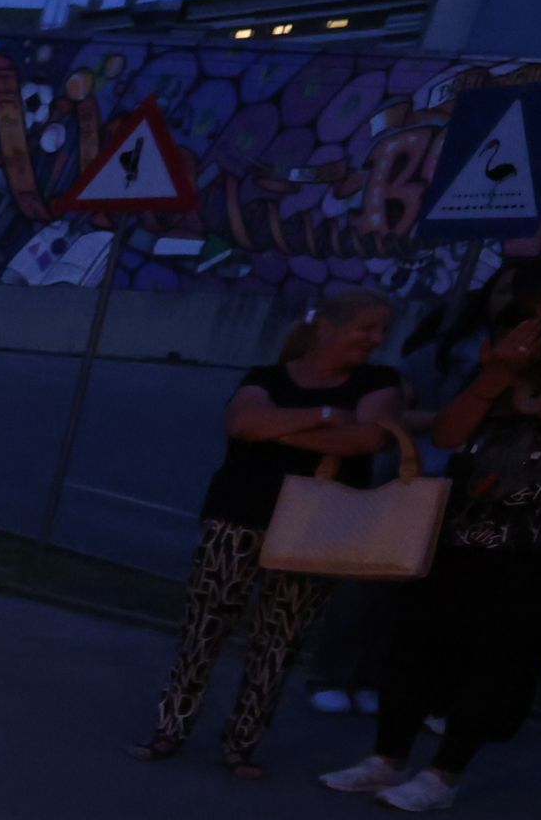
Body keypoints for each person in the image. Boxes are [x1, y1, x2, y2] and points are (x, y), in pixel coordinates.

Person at [327, 256, 541, 811]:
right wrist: (494, 379)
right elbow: (450, 429)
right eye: (536, 308)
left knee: (505, 652)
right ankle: (386, 757)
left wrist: (536, 403)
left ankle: (445, 773)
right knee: (420, 636)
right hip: (473, 515)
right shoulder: (525, 342)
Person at [140, 291, 413, 774]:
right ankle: (171, 729)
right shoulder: (266, 377)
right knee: (204, 628)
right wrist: (327, 415)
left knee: (280, 638)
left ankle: (242, 745)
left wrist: (278, 429)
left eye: (382, 330)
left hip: (317, 525)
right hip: (238, 516)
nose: (377, 339)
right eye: (367, 327)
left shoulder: (380, 382)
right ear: (328, 325)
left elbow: (368, 438)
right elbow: (243, 421)